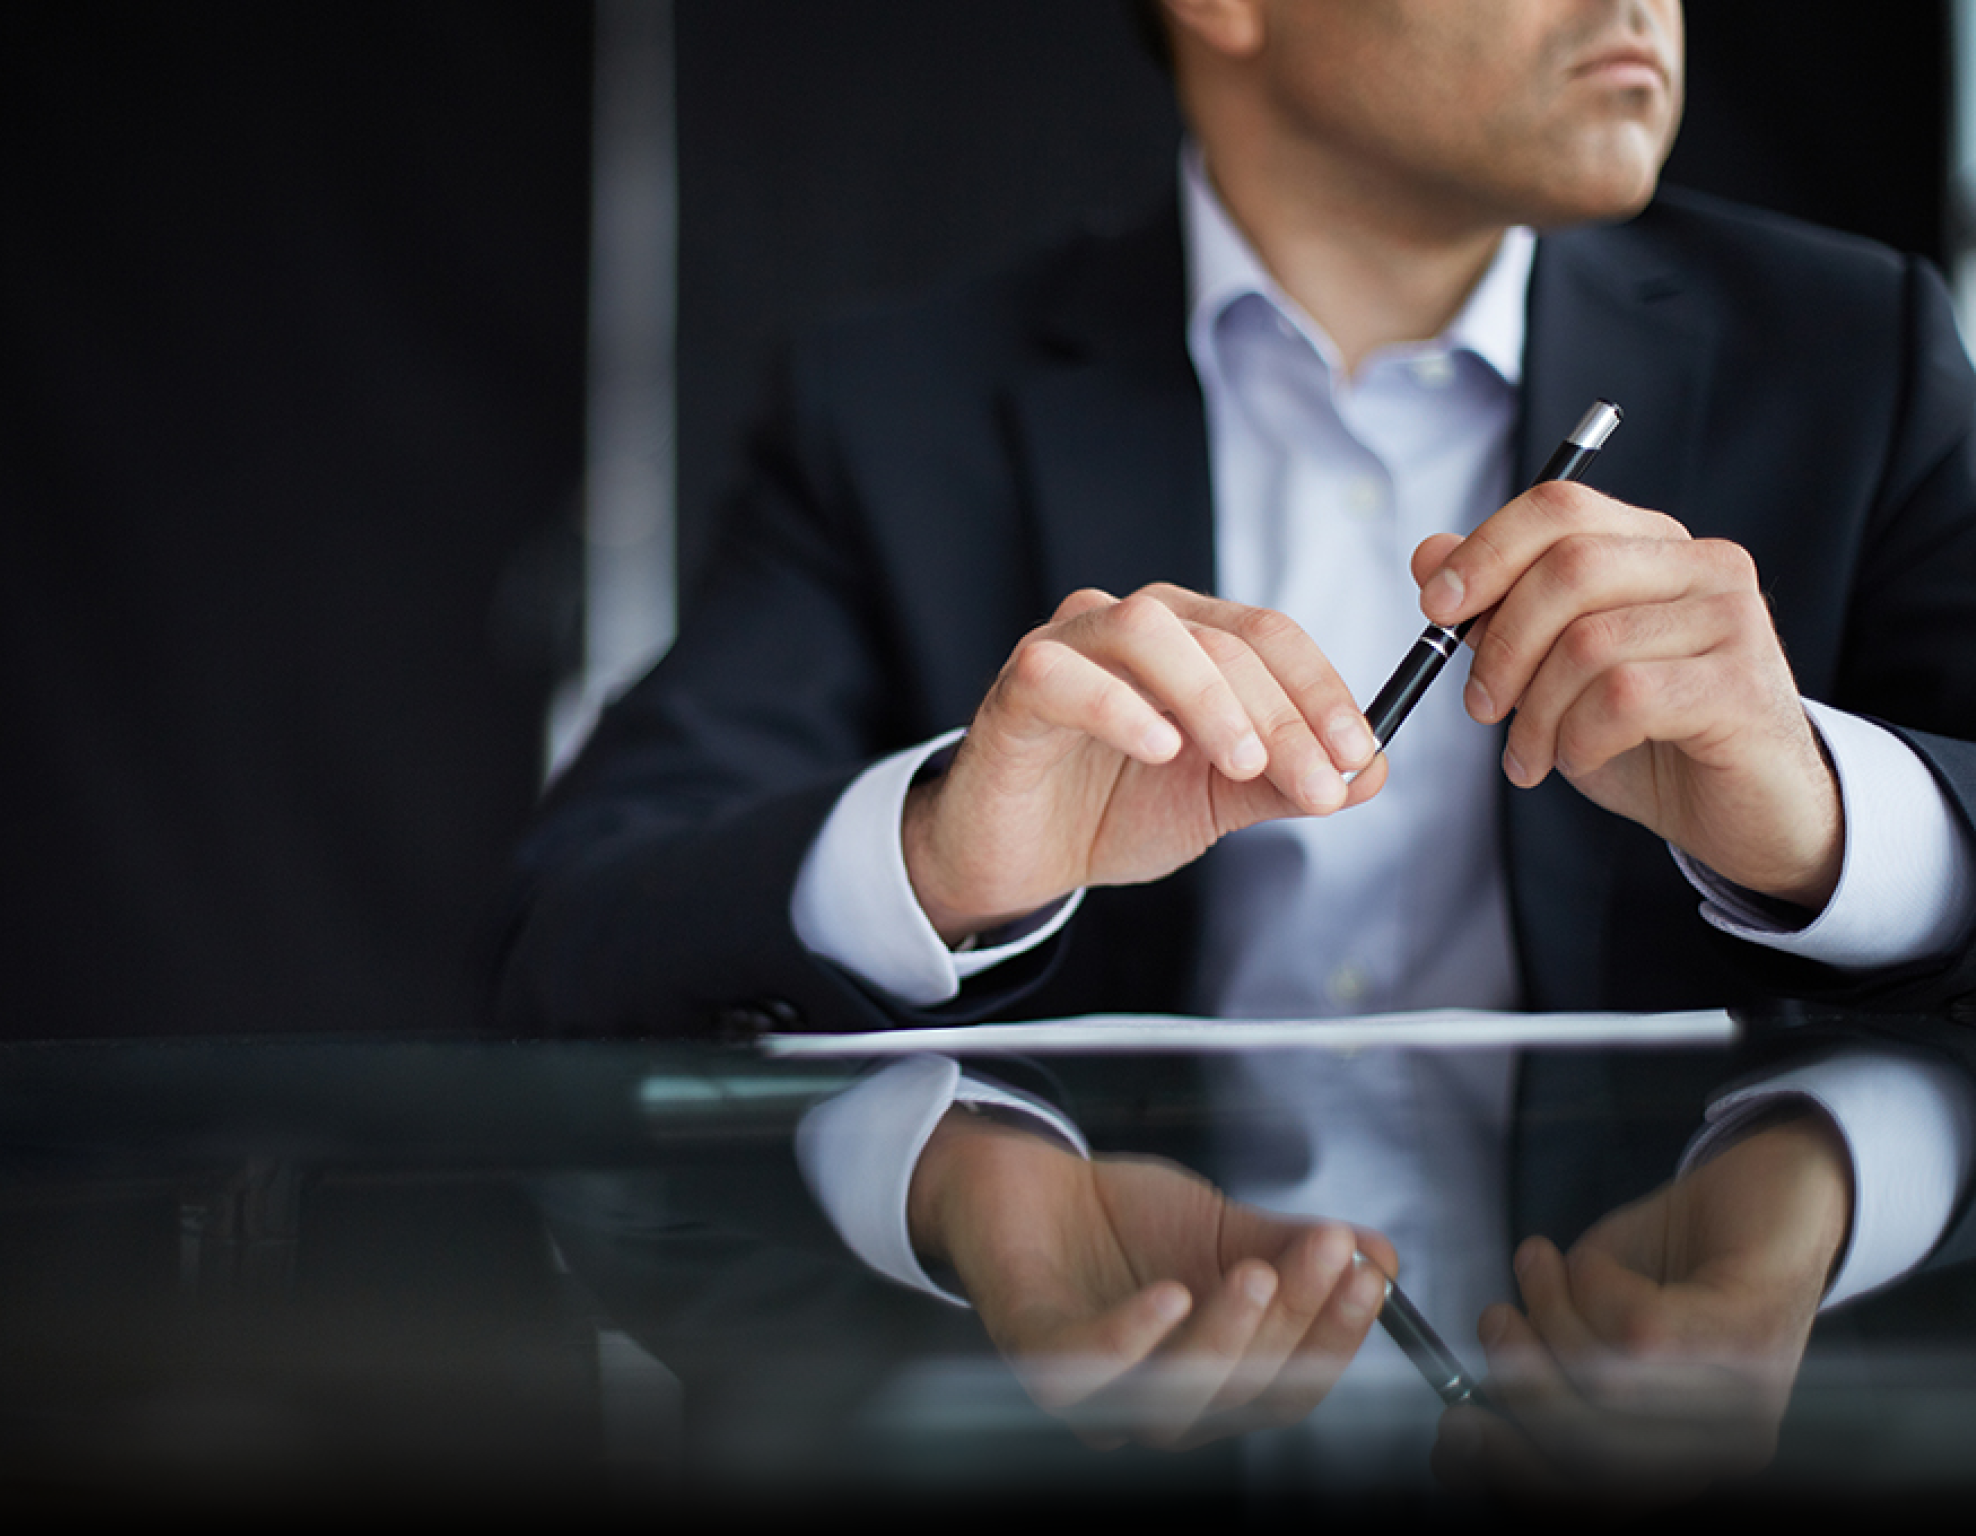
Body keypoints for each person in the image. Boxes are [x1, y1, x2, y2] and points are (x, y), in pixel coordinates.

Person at [499, 0, 1976, 1496]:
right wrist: (938, 854)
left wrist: (1834, 825)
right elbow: (571, 931)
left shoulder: (1861, 356)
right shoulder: (892, 408)